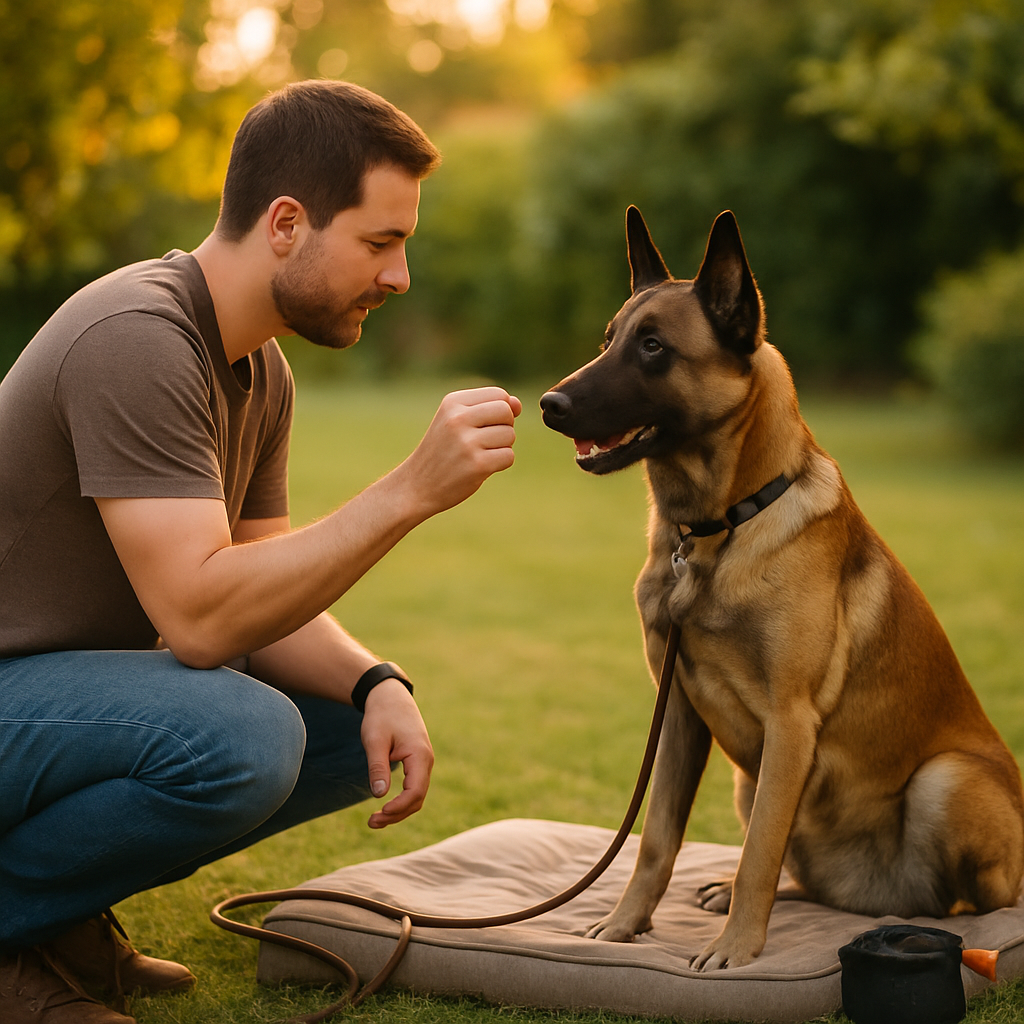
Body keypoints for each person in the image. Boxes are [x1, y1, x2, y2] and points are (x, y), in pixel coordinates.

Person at [0, 80, 522, 1023]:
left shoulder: (259, 367)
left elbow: (263, 600)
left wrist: (373, 682)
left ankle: (57, 921)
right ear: (286, 223)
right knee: (243, 733)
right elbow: (203, 622)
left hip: (45, 701)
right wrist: (410, 491)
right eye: (380, 242)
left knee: (343, 730)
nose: (400, 277)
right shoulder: (137, 338)